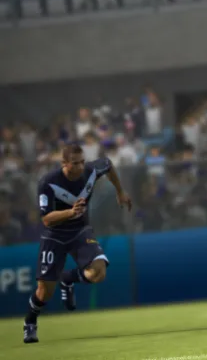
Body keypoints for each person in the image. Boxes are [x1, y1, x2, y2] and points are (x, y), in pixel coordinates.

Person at [24, 144, 133, 344]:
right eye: (75, 163)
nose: (81, 167)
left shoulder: (91, 170)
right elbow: (46, 219)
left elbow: (108, 165)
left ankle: (68, 278)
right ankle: (30, 322)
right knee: (44, 292)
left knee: (98, 272)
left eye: (82, 162)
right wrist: (70, 212)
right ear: (64, 163)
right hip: (54, 235)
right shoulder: (48, 182)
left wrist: (120, 191)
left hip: (80, 231)